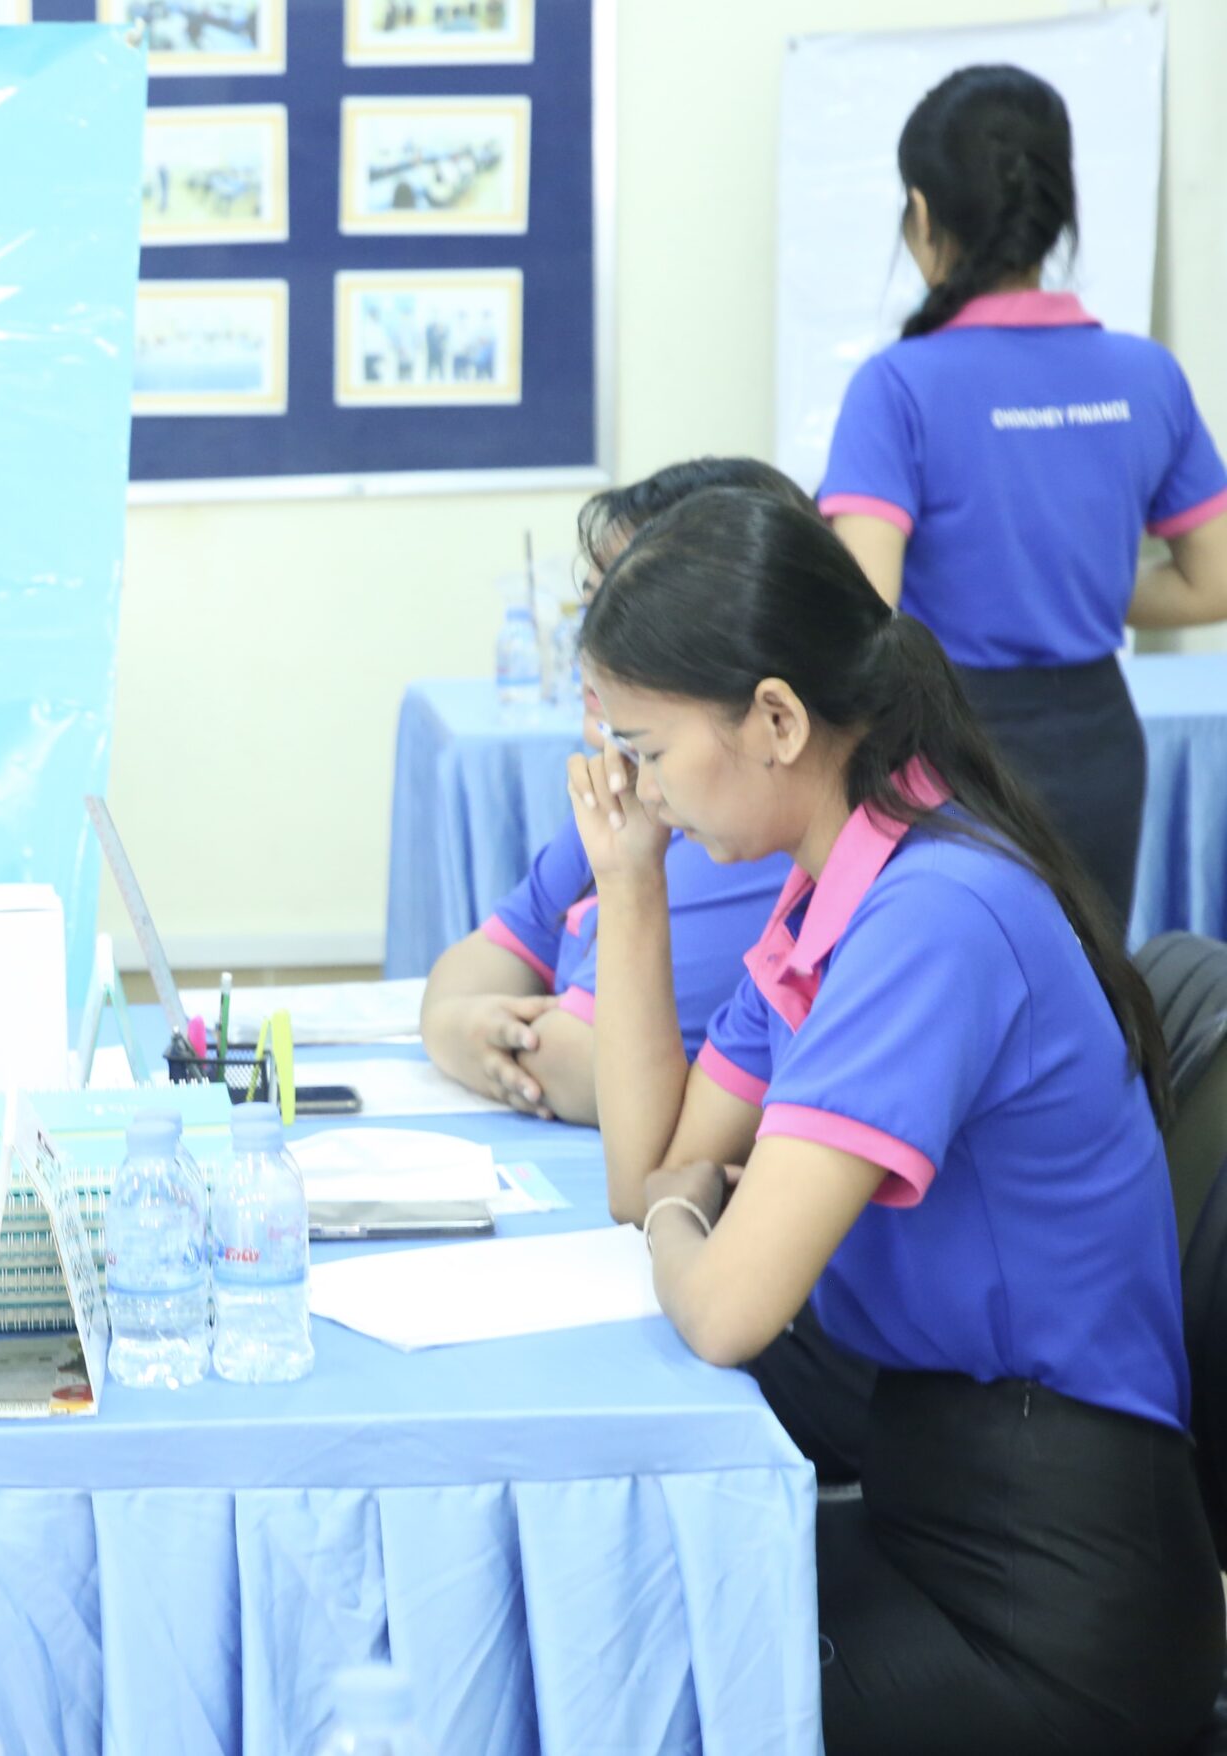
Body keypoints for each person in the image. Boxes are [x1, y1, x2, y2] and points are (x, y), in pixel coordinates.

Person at [573, 487, 1219, 1754]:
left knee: (639, 1696)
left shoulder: (929, 916)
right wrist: (629, 879)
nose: (636, 787)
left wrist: (677, 1220)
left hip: (1051, 1604)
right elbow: (650, 1168)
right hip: (944, 1501)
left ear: (774, 719)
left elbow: (722, 1303)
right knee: (620, 1626)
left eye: (647, 750)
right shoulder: (836, 880)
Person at [821, 64, 1227, 926]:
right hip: (1100, 747)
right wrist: (1072, 583)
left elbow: (862, 612)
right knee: (1088, 986)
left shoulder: (896, 387)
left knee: (964, 986)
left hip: (949, 753)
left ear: (922, 212)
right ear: (1053, 206)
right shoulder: (1146, 375)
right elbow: (1213, 582)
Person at [421, 459, 802, 1126]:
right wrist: (454, 1026)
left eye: (624, 613)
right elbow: (474, 965)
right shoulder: (628, 784)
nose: (591, 648)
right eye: (592, 606)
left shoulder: (745, 835)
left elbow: (583, 1068)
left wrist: (475, 1033)